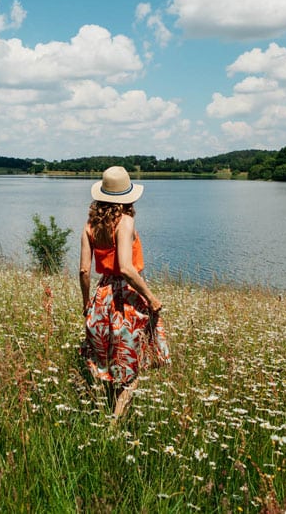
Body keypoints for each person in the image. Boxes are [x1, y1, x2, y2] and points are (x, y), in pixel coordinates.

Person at [79, 166, 169, 417]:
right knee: (130, 368)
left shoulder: (89, 226)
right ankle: (114, 426)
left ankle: (102, 411)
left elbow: (84, 271)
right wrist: (151, 297)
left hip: (102, 296)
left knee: (106, 360)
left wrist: (87, 303)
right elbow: (127, 268)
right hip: (125, 299)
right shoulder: (126, 222)